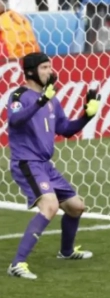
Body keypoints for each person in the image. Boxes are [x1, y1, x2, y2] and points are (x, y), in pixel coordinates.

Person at [7, 52, 101, 280]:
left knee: (76, 207)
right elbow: (15, 121)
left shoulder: (52, 99)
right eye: (45, 67)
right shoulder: (19, 95)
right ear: (31, 72)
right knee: (49, 206)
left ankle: (66, 252)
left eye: (50, 67)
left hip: (45, 165)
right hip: (27, 163)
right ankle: (17, 264)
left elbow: (65, 129)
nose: (50, 71)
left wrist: (87, 115)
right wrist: (40, 101)